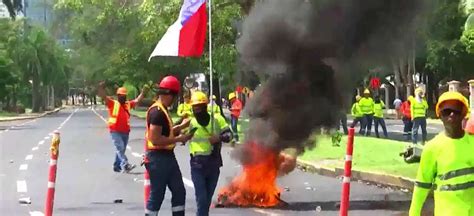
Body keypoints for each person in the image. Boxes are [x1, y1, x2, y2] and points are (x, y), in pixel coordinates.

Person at [409, 91, 473, 216]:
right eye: (446, 111)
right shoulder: (432, 148)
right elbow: (421, 185)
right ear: (440, 115)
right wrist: (414, 213)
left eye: (456, 111)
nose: (452, 115)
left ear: (463, 114)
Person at [144, 76, 194, 216]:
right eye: (174, 96)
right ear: (169, 94)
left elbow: (166, 132)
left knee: (179, 191)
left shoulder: (163, 110)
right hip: (158, 158)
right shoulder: (157, 113)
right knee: (157, 194)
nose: (174, 99)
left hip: (167, 157)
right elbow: (155, 139)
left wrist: (180, 127)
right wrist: (180, 138)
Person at [187, 91, 232, 216]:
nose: (197, 110)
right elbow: (174, 131)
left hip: (213, 162)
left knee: (207, 200)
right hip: (197, 164)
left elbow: (229, 135)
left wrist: (219, 138)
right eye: (194, 107)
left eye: (199, 107)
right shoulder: (190, 122)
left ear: (205, 107)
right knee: (201, 199)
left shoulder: (216, 119)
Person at [98, 82, 148, 173]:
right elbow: (104, 97)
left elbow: (137, 100)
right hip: (115, 131)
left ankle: (116, 166)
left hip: (125, 131)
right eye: (121, 95)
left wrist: (143, 93)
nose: (123, 97)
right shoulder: (113, 103)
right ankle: (125, 165)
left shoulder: (128, 104)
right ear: (118, 96)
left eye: (124, 96)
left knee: (121, 149)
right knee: (120, 148)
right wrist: (101, 88)